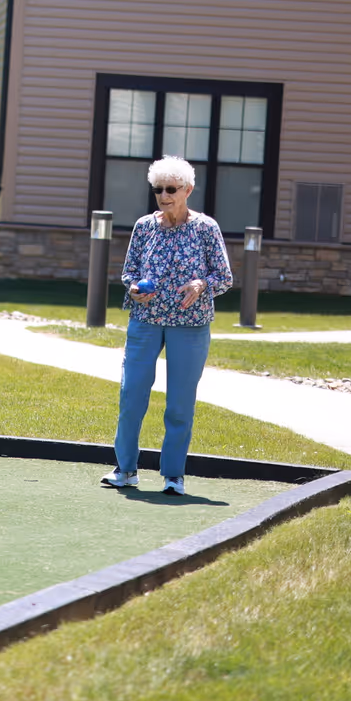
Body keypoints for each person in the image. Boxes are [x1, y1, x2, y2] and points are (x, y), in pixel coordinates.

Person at [101, 156, 234, 496]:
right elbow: (129, 271)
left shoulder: (206, 228)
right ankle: (125, 469)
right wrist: (133, 288)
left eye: (171, 189)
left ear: (187, 190)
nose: (164, 195)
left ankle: (173, 475)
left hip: (189, 325)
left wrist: (201, 285)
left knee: (179, 403)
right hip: (145, 321)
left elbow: (224, 276)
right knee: (131, 396)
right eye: (158, 189)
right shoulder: (144, 226)